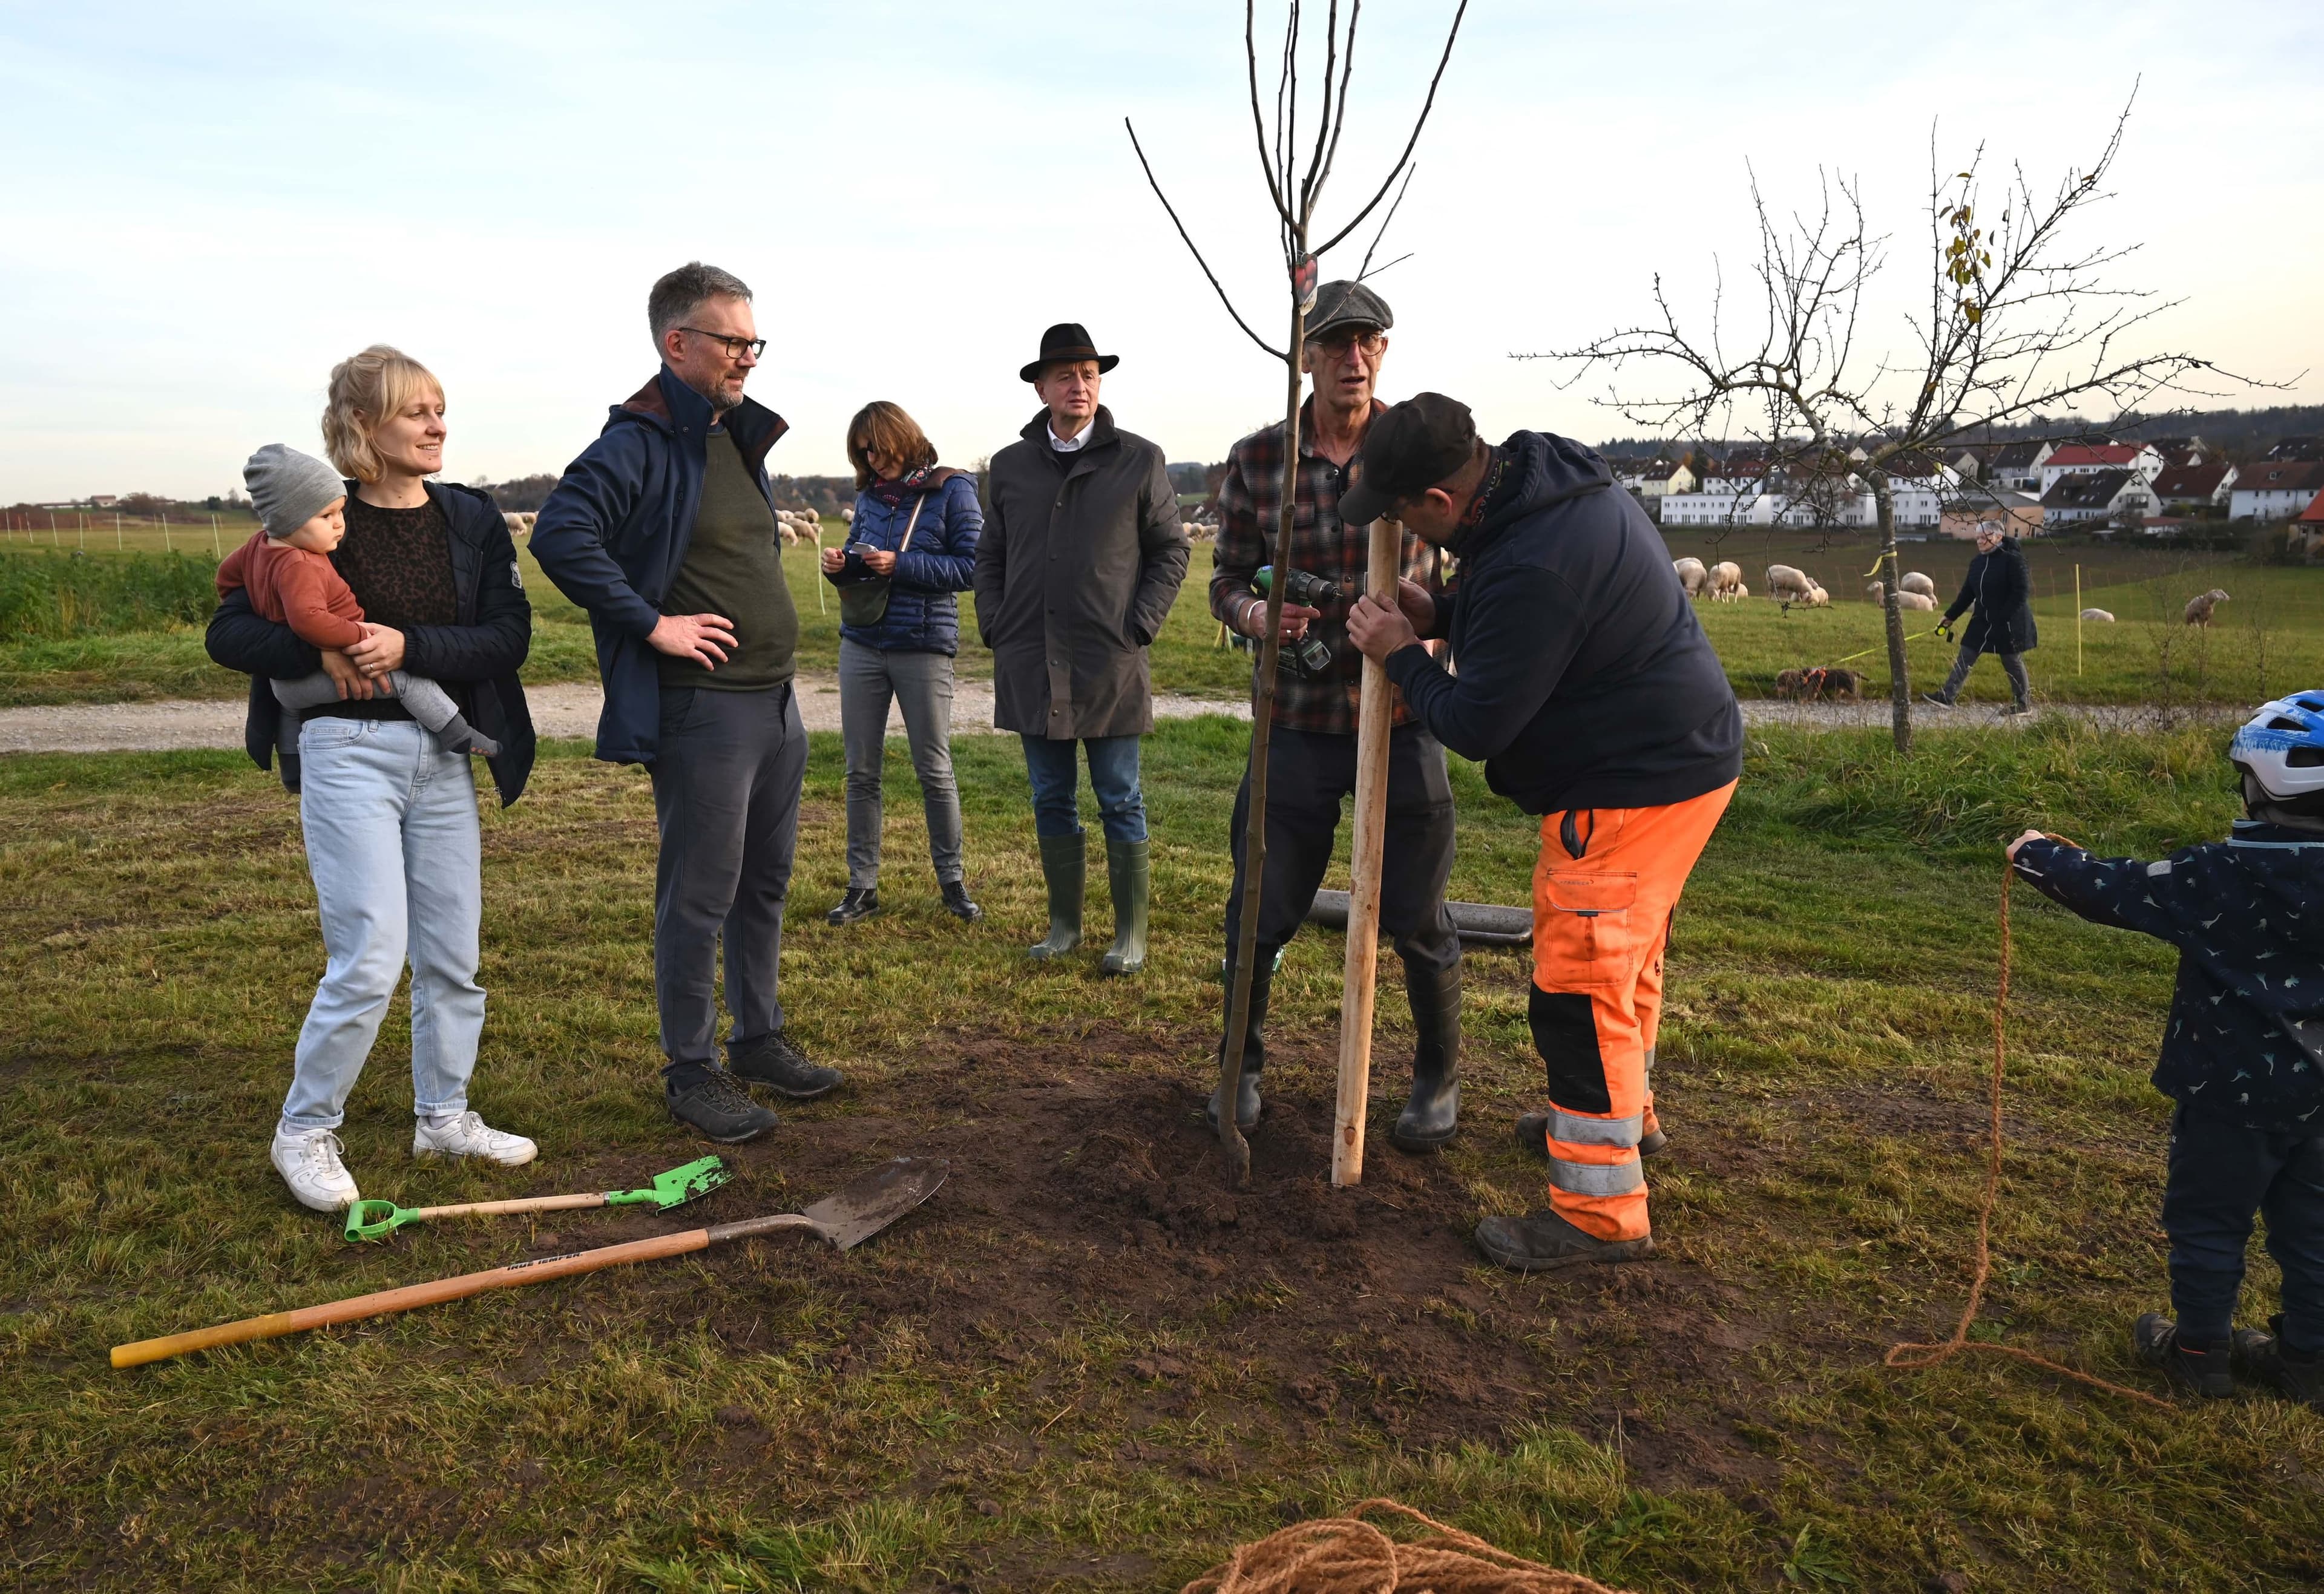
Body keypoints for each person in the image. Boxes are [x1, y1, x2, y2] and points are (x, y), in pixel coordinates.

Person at [1345, 393, 1743, 1272]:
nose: (1398, 523)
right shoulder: (1537, 483)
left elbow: (1479, 722)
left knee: (1578, 988)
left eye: (1401, 510)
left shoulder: (1534, 560)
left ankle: (1602, 1212)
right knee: (1627, 962)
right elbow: (1537, 621)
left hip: (1631, 783)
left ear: (1439, 506)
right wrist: (1443, 614)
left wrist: (1400, 653)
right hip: (1683, 763)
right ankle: (1619, 1120)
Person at [203, 345, 540, 1213]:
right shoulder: (314, 517)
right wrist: (320, 646)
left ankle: (445, 1116)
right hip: (347, 750)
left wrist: (408, 647)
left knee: (453, 955)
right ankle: (305, 1129)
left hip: (444, 757)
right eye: (415, 411)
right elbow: (228, 633)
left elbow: (509, 635)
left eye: (440, 408)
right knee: (370, 956)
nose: (438, 426)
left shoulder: (469, 517)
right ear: (362, 426)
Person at [530, 261, 840, 1146]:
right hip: (704, 708)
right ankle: (689, 1068)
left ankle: (759, 1040)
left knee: (764, 884)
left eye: (753, 341)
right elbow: (562, 533)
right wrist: (651, 623)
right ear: (678, 343)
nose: (748, 357)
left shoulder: (730, 433)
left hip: (774, 705)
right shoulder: (640, 438)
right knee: (699, 894)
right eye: (732, 341)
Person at [2004, 696, 2324, 1408]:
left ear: (2260, 787)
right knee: (2313, 1234)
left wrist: (2036, 854)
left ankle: (2200, 1354)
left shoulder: (2218, 877)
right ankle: (2308, 1364)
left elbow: (2112, 889)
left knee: (2210, 1223)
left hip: (2225, 1097)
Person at [1206, 280, 1463, 1152]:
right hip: (1297, 722)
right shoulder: (1257, 460)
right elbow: (1226, 578)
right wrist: (1251, 616)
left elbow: (1473, 574)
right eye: (1337, 344)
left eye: (1370, 343)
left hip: (1401, 718)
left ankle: (1436, 1076)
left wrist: (1433, 629)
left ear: (1383, 353)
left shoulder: (1421, 449)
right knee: (1261, 905)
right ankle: (1238, 1062)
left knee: (1420, 916)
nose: (1354, 359)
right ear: (1307, 355)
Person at [974, 323, 1190, 975]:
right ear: (1041, 387)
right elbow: (991, 556)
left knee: (1120, 795)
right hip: (1030, 657)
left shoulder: (1138, 459)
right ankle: (1063, 925)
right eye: (1066, 375)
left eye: (1090, 374)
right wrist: (996, 623)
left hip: (1110, 659)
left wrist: (1141, 623)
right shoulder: (1010, 468)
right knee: (1050, 796)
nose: (1080, 385)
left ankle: (1130, 936)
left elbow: (1171, 550)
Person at [221, 444, 499, 759]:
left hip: (284, 679)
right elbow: (308, 619)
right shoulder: (300, 564)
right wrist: (359, 637)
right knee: (405, 680)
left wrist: (259, 601)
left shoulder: (257, 546)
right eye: (326, 516)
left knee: (288, 708)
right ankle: (457, 733)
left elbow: (226, 578)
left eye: (340, 511)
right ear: (288, 520)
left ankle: (292, 764)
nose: (340, 523)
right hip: (326, 664)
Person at [820, 401, 983, 927]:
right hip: (862, 642)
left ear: (900, 438)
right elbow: (858, 555)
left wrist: (903, 564)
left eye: (877, 447)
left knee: (933, 770)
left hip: (923, 644)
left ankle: (953, 884)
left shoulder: (952, 490)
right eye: (863, 452)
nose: (871, 459)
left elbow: (975, 566)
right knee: (860, 772)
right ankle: (861, 888)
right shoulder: (869, 495)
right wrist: (841, 565)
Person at [1925, 523, 2036, 716]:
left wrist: (2002, 617)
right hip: (1982, 619)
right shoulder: (1977, 563)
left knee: (2012, 660)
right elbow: (1967, 594)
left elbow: (2021, 593)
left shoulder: (2014, 560)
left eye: (1985, 537)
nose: (1980, 541)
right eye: (1978, 538)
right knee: (1966, 653)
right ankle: (1947, 696)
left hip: (2009, 621)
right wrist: (1950, 616)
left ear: (1999, 537)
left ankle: (2023, 704)